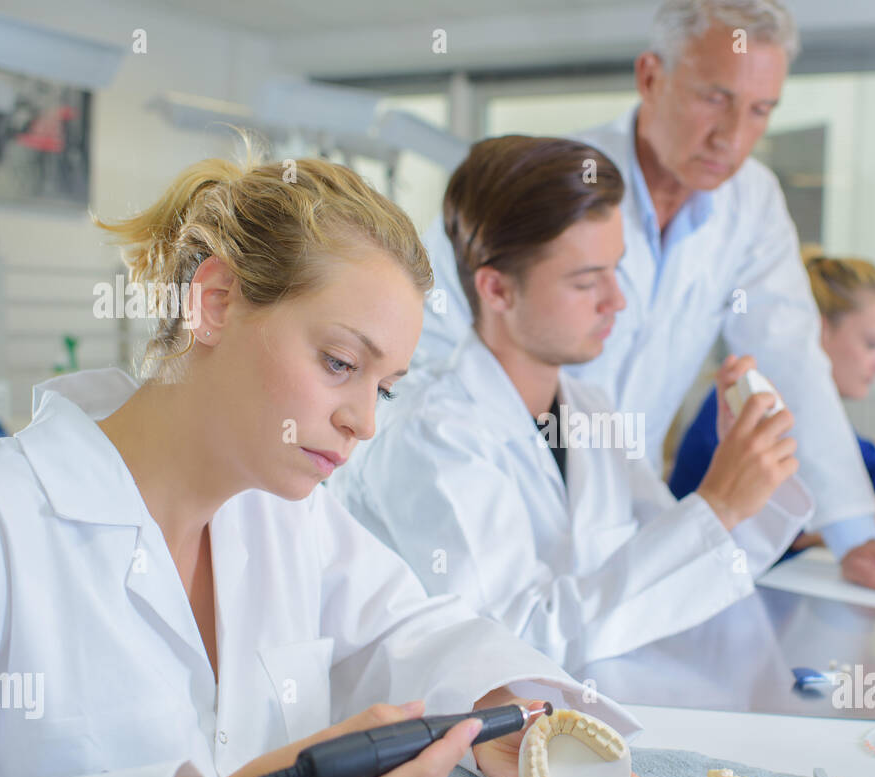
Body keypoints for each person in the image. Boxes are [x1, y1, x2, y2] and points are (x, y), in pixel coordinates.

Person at [0, 147, 642, 777]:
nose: (363, 422)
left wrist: (498, 723)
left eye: (385, 386)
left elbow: (408, 635)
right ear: (214, 302)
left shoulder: (284, 514)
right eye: (340, 363)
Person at [413, 0, 875, 598]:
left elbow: (793, 360)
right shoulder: (548, 189)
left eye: (760, 111)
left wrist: (854, 532)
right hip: (492, 493)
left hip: (621, 498)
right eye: (715, 98)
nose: (733, 136)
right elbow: (424, 352)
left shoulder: (750, 202)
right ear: (651, 77)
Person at [330, 136, 813, 671]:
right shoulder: (430, 432)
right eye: (587, 281)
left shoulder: (589, 410)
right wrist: (717, 506)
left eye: (616, 269)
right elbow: (512, 641)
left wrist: (742, 474)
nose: (617, 301)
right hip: (463, 738)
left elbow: (681, 570)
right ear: (497, 290)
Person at [670, 251, 875, 548]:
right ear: (816, 332)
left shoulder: (815, 411)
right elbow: (788, 527)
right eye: (872, 344)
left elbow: (866, 470)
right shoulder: (747, 405)